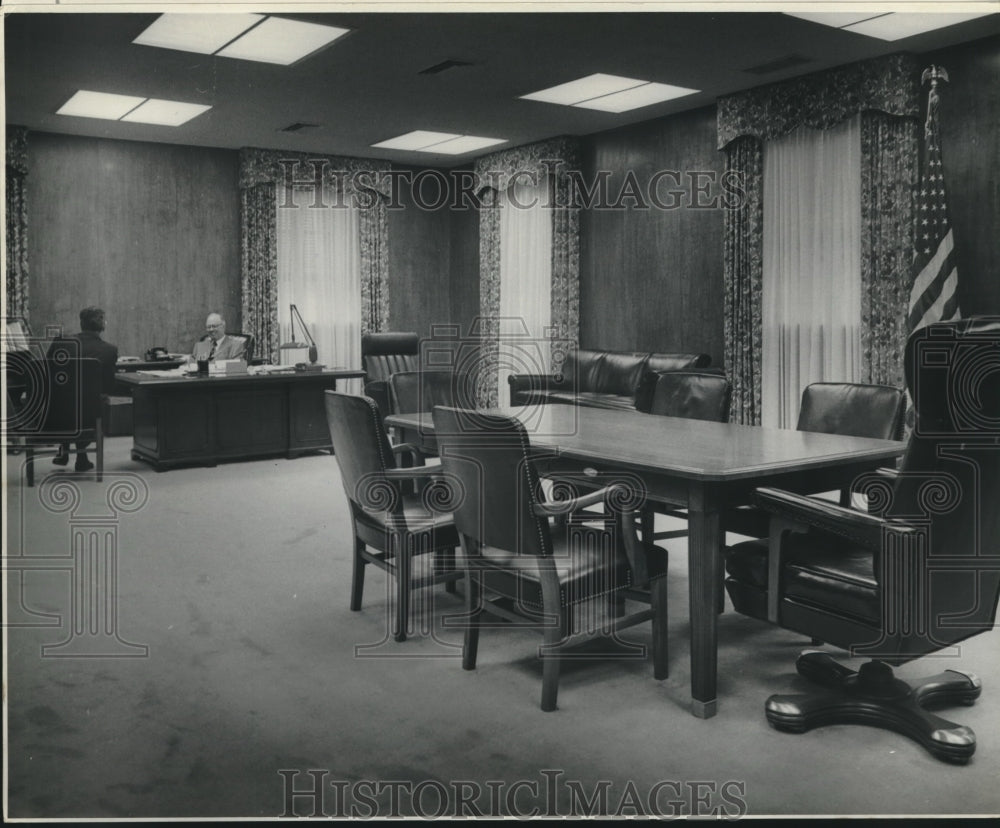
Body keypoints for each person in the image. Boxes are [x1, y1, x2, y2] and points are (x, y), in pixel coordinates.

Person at [51, 306, 118, 472]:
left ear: (81, 323)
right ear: (103, 325)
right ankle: (81, 456)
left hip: (56, 411)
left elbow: (47, 374)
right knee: (94, 398)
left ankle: (66, 450)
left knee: (66, 393)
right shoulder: (110, 350)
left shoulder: (61, 342)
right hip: (88, 413)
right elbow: (108, 385)